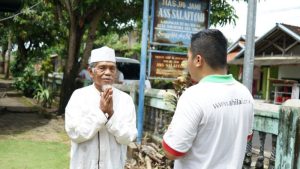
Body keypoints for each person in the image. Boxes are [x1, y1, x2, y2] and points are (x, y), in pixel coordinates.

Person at [162, 29, 254, 169]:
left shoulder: (194, 96)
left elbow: (172, 151)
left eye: (188, 57)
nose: (187, 64)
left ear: (198, 60)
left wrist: (170, 132)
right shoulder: (245, 94)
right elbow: (246, 137)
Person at [65, 46, 137, 169]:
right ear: (91, 72)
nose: (108, 72)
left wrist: (111, 115)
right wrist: (101, 113)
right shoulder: (79, 96)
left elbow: (128, 137)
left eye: (112, 68)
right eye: (102, 68)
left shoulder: (125, 100)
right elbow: (75, 133)